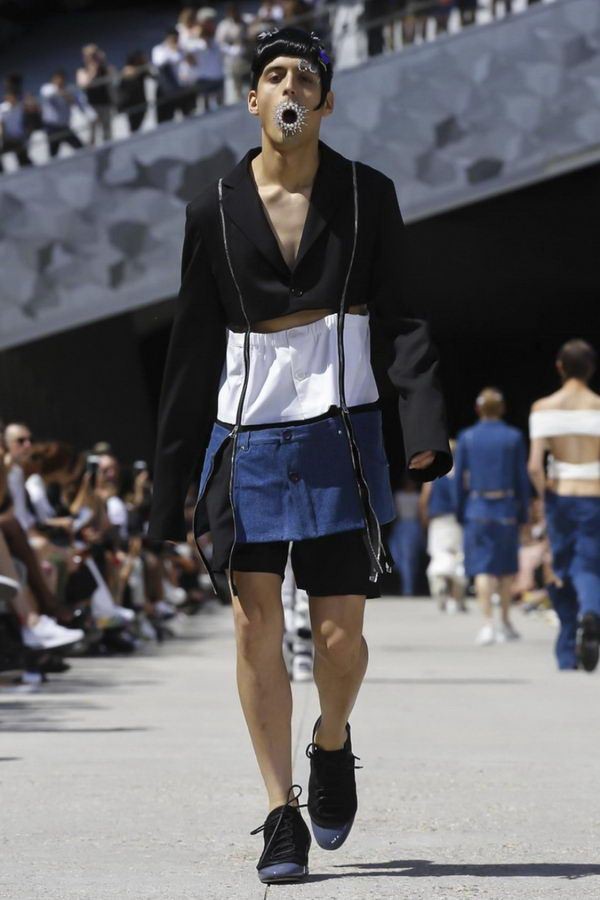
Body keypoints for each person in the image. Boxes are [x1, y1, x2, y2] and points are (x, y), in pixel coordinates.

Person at [147, 25, 451, 884]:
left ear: (325, 100)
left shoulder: (365, 193)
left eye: (305, 77)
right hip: (244, 435)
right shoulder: (211, 207)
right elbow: (191, 346)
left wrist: (423, 426)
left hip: (341, 432)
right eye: (275, 75)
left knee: (340, 635)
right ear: (254, 99)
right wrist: (170, 482)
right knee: (255, 624)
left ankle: (332, 740)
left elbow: (405, 316)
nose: (290, 87)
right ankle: (281, 813)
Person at [527, 339, 600, 671]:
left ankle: (568, 647)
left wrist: (545, 499)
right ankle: (591, 613)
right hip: (594, 495)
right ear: (591, 368)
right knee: (588, 565)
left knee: (560, 567)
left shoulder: (544, 408)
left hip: (561, 495)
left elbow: (534, 466)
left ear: (559, 366)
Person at [454, 388, 531, 645]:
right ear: (502, 409)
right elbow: (521, 478)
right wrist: (524, 513)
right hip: (506, 508)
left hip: (477, 508)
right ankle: (506, 621)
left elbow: (459, 479)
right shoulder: (513, 437)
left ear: (478, 409)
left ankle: (487, 624)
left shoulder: (467, 437)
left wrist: (460, 510)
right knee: (507, 568)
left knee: (482, 568)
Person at [420, 439, 467, 612]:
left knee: (439, 554)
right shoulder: (463, 473)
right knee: (459, 556)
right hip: (458, 519)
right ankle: (457, 597)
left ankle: (440, 584)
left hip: (439, 519)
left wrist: (424, 519)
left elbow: (424, 498)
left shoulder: (434, 472)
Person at [39, 69, 86, 158]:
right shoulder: (47, 88)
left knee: (80, 147)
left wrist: (68, 95)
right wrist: (62, 92)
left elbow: (76, 102)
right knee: (53, 154)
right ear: (53, 79)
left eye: (62, 79)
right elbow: (48, 94)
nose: (60, 82)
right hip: (52, 127)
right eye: (58, 79)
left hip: (64, 126)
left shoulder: (68, 89)